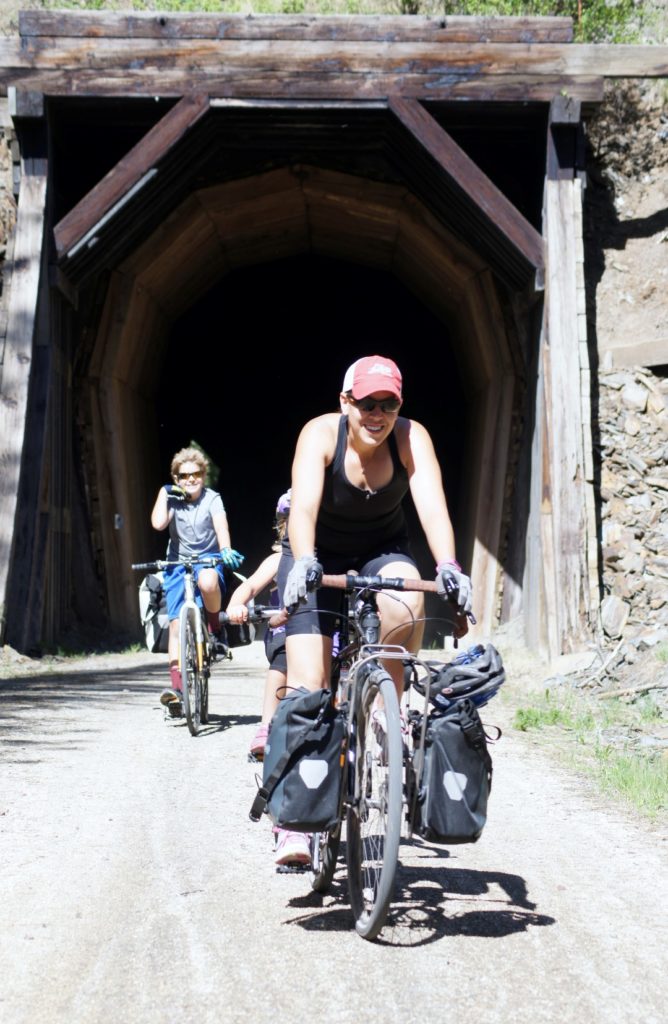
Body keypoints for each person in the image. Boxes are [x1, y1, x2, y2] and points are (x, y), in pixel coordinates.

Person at [279, 355, 473, 862]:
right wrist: (303, 561)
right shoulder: (320, 435)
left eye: (388, 403)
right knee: (308, 687)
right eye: (367, 403)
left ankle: (388, 713)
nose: (378, 413)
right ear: (346, 402)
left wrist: (449, 564)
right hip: (314, 557)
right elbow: (302, 508)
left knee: (408, 592)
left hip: (379, 551)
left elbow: (432, 505)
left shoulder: (412, 437)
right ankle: (297, 818)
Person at [150, 446, 243, 714]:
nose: (191, 479)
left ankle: (215, 628)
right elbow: (158, 524)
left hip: (207, 559)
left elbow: (220, 526)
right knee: (177, 625)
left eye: (196, 474)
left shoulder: (212, 499)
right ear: (176, 478)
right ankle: (178, 690)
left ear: (204, 475)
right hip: (177, 563)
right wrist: (164, 493)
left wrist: (225, 549)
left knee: (208, 582)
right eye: (184, 475)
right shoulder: (172, 498)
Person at [225, 489, 290, 762]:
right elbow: (250, 585)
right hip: (288, 630)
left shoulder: (335, 559)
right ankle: (266, 725)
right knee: (283, 662)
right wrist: (236, 605)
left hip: (329, 628)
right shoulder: (278, 560)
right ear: (283, 527)